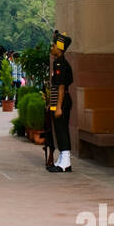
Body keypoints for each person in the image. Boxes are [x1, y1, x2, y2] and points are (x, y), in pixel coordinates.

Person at [45, 31, 75, 172]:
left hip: (61, 101)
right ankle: (63, 159)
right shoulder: (58, 62)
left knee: (62, 130)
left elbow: (61, 87)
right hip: (58, 100)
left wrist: (58, 107)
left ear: (60, 48)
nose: (51, 48)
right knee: (59, 130)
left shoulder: (60, 64)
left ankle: (66, 161)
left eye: (53, 46)